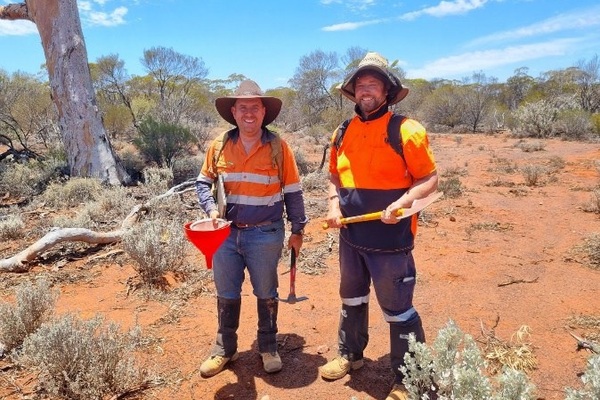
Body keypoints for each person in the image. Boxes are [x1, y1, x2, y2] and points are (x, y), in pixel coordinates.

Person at [320, 52, 439, 400]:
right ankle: (349, 355)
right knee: (351, 298)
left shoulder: (407, 130)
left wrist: (402, 203)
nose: (365, 90)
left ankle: (408, 378)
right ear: (353, 92)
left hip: (392, 238)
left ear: (387, 91)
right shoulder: (342, 131)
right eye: (360, 84)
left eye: (373, 83)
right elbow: (333, 176)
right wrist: (332, 203)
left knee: (399, 309)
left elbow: (429, 179)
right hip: (351, 235)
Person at [194, 79, 308, 377]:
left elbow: (293, 190)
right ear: (233, 111)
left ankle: (268, 346)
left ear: (263, 112)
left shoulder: (278, 147)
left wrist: (298, 229)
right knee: (227, 291)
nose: (248, 113)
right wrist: (210, 210)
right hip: (225, 235)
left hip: (265, 234)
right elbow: (202, 183)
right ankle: (224, 349)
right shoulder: (218, 146)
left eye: (254, 108)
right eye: (242, 107)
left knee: (266, 291)